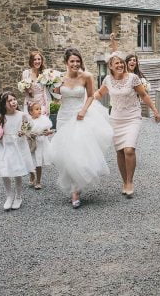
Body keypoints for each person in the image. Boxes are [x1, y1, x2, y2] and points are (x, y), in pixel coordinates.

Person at [48, 48, 112, 208]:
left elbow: (91, 95)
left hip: (79, 116)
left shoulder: (87, 76)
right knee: (63, 153)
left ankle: (76, 189)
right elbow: (56, 96)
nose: (75, 64)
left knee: (77, 152)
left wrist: (83, 110)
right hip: (63, 116)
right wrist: (51, 87)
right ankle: (73, 182)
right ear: (66, 62)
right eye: (72, 61)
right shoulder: (59, 78)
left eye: (77, 61)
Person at [95, 55, 160, 198]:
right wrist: (85, 102)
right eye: (116, 63)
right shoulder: (107, 80)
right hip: (116, 119)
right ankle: (124, 181)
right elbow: (99, 93)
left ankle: (130, 182)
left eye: (121, 63)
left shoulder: (132, 78)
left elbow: (143, 95)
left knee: (129, 149)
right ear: (110, 66)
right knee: (120, 151)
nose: (120, 65)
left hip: (132, 117)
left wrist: (155, 110)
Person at [0, 91, 35, 211]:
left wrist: (24, 131)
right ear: (3, 104)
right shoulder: (0, 117)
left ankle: (18, 196)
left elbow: (29, 126)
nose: (13, 102)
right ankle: (9, 196)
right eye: (9, 101)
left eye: (14, 99)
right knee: (5, 171)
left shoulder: (22, 115)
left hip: (18, 145)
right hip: (5, 146)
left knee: (17, 171)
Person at [20, 50, 50, 186]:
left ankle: (38, 179)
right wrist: (27, 89)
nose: (37, 62)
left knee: (39, 141)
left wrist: (46, 109)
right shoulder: (26, 74)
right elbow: (23, 90)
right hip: (28, 108)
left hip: (41, 108)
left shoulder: (45, 74)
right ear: (31, 61)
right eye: (35, 59)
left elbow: (45, 93)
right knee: (28, 140)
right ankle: (31, 175)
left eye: (39, 59)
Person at [27, 103, 54, 190]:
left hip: (40, 145)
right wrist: (29, 134)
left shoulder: (44, 120)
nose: (39, 110)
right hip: (31, 144)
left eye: (39, 109)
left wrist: (48, 132)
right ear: (30, 112)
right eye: (36, 109)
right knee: (30, 162)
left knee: (38, 163)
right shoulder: (28, 121)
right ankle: (32, 175)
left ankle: (38, 181)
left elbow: (48, 131)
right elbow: (25, 132)